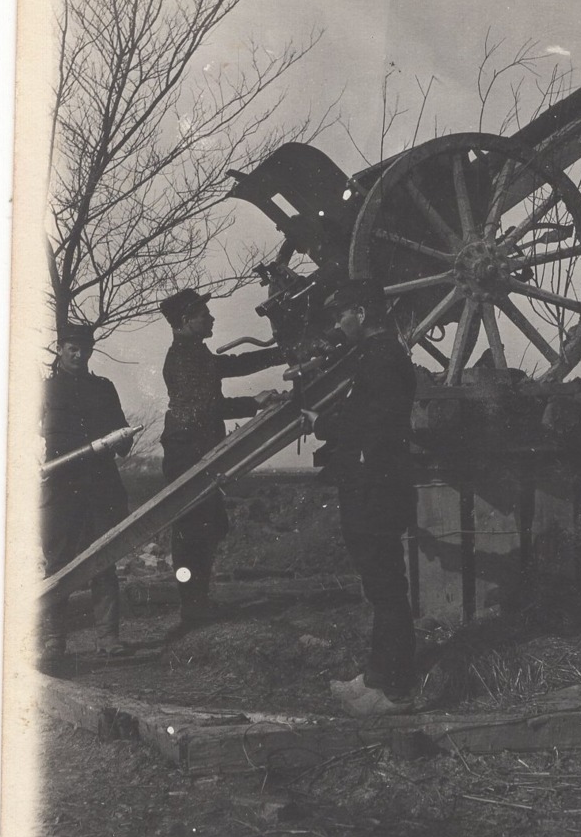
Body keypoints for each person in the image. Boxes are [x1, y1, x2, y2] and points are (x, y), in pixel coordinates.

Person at [301, 279, 418, 718]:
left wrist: (321, 425)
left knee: (387, 590)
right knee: (379, 587)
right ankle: (375, 677)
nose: (337, 323)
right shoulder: (377, 355)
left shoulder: (384, 358)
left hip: (378, 489)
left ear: (363, 314)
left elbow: (375, 422)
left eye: (341, 314)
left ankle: (395, 691)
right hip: (370, 486)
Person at [159, 288, 283, 630]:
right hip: (187, 451)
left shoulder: (194, 353)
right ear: (185, 321)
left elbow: (230, 365)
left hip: (197, 448)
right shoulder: (183, 358)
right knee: (191, 529)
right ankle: (192, 606)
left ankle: (198, 601)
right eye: (204, 314)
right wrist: (254, 401)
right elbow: (205, 408)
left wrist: (279, 354)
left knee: (208, 525)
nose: (211, 318)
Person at [39, 322, 135, 670]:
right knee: (57, 561)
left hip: (100, 484)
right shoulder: (44, 390)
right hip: (60, 485)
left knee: (103, 558)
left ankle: (108, 637)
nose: (79, 355)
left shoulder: (104, 388)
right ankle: (55, 640)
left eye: (85, 349)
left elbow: (123, 433)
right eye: (72, 349)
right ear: (60, 348)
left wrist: (123, 439)